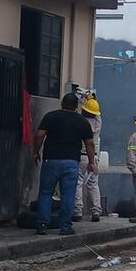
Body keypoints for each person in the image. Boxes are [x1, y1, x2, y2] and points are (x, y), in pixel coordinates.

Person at [33, 93, 97, 236]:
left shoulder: (50, 116)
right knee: (68, 194)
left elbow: (39, 135)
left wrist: (36, 151)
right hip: (71, 162)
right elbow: (90, 143)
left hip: (51, 160)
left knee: (45, 192)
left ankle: (42, 225)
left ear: (62, 104)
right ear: (76, 107)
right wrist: (92, 162)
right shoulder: (82, 121)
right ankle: (65, 227)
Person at [73, 95, 103, 223]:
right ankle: (96, 211)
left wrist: (83, 99)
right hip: (94, 157)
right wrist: (91, 99)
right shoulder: (98, 122)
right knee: (93, 185)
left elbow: (78, 113)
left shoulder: (80, 121)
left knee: (78, 184)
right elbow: (94, 113)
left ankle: (77, 212)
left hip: (81, 156)